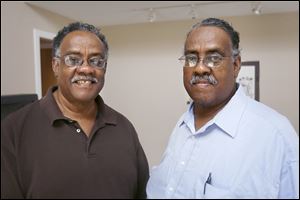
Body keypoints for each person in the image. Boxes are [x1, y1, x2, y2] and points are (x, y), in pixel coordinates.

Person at [146, 18, 299, 198]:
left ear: (235, 65)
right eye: (191, 58)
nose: (200, 68)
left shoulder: (275, 136)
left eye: (214, 58)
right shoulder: (183, 125)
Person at [1, 22, 149, 199]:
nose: (86, 68)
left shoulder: (124, 128)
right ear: (56, 66)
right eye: (73, 59)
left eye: (96, 61)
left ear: (105, 68)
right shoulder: (14, 129)